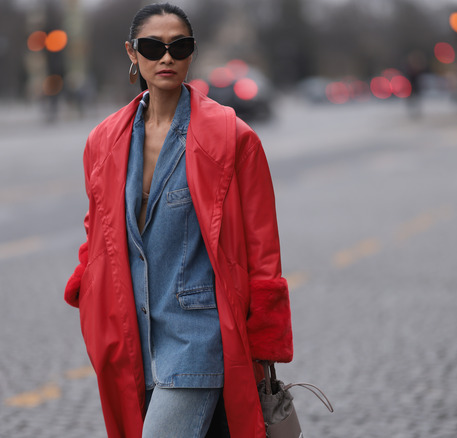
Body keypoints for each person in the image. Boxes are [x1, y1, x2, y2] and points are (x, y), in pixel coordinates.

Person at [63, 3, 293, 437]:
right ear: (132, 53)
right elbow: (99, 228)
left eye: (179, 46)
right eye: (153, 47)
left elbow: (263, 247)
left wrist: (264, 336)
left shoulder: (233, 138)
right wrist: (90, 287)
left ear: (192, 54)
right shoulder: (104, 140)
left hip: (199, 337)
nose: (166, 57)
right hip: (129, 334)